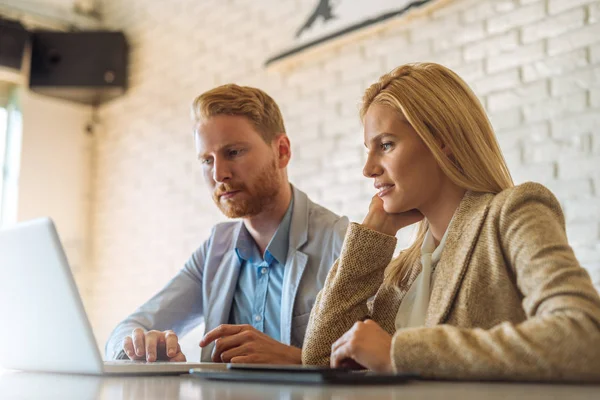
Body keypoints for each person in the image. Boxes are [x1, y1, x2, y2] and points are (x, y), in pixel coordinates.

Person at [301, 62, 600, 382]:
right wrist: (373, 235)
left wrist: (399, 354)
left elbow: (584, 337)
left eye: (385, 145)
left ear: (441, 140)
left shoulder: (513, 213)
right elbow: (320, 357)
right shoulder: (408, 268)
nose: (368, 169)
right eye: (368, 150)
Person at [105, 84, 348, 364]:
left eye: (233, 152)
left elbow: (376, 365)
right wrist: (140, 348)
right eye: (207, 160)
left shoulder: (341, 243)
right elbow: (124, 332)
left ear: (281, 151)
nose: (219, 174)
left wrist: (294, 359)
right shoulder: (215, 250)